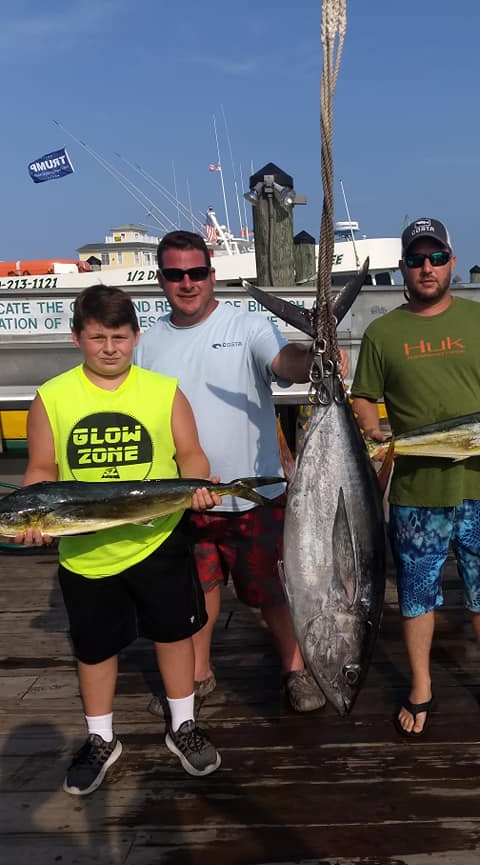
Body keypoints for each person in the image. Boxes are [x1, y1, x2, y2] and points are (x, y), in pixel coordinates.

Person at [17, 285, 222, 795]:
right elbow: (42, 469)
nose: (109, 348)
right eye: (97, 338)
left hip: (158, 537)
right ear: (76, 339)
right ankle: (101, 737)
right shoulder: (52, 397)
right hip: (87, 548)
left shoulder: (163, 390)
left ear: (135, 337)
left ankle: (183, 725)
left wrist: (199, 486)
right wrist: (30, 515)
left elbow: (191, 456)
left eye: (120, 337)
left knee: (174, 634)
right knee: (93, 647)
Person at [351, 217, 480, 737]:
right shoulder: (383, 332)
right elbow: (364, 396)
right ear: (403, 267)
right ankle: (421, 686)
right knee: (416, 592)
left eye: (435, 258)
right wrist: (373, 434)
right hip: (414, 493)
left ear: (451, 261)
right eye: (415, 259)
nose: (425, 267)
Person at [134, 230, 327, 714]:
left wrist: (316, 357)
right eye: (175, 274)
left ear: (211, 275)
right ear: (161, 279)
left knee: (273, 592)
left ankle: (296, 670)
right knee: (197, 590)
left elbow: (285, 362)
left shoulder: (248, 326)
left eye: (196, 273)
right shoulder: (147, 341)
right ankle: (198, 675)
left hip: (253, 494)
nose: (187, 283)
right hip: (182, 497)